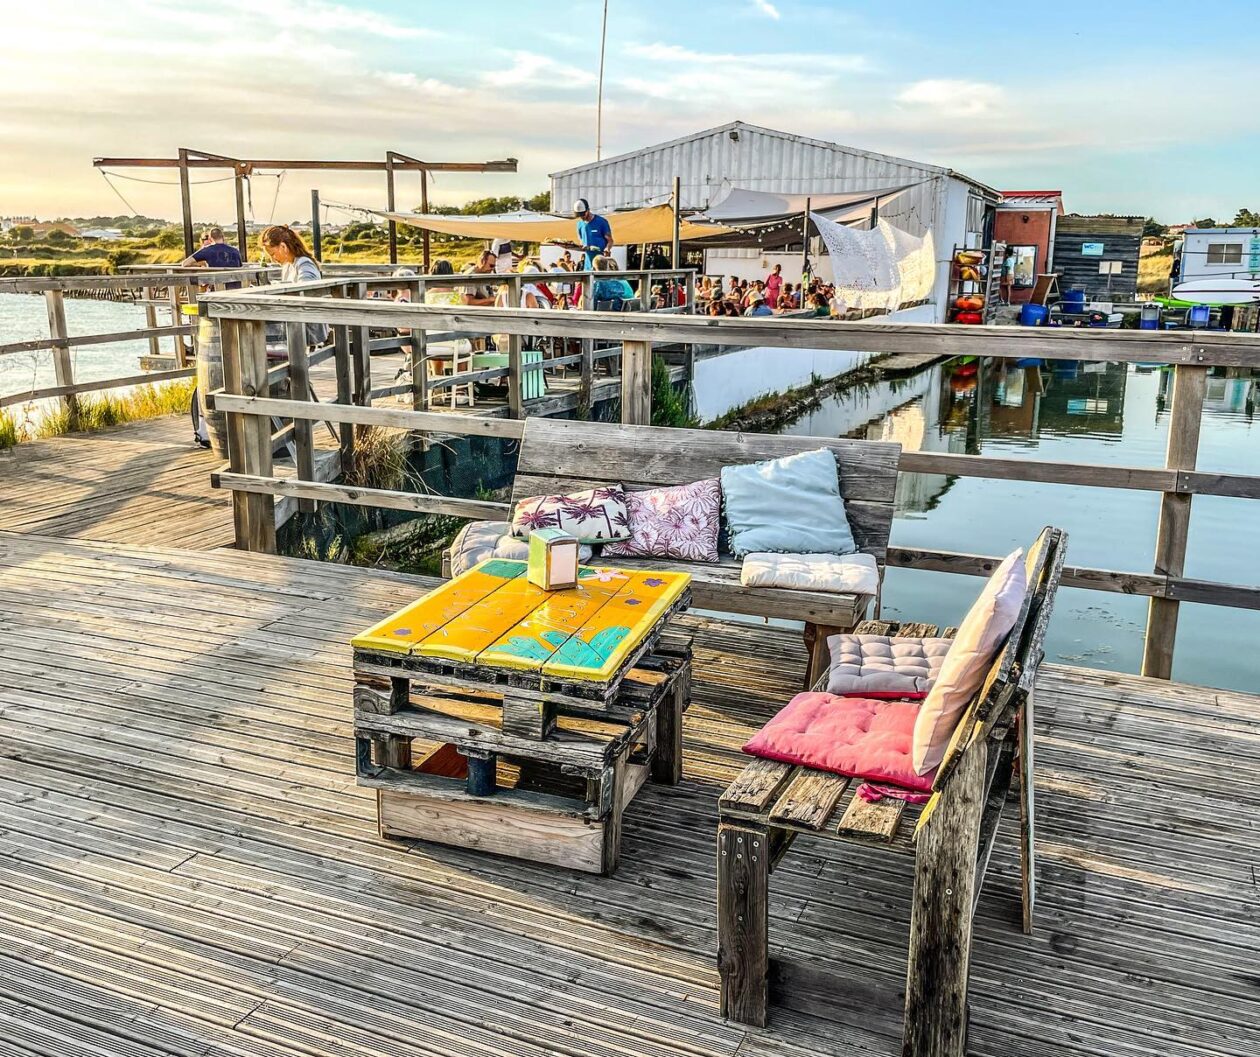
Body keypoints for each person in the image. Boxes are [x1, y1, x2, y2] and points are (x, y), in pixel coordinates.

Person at [260, 224, 328, 345]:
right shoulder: (288, 266)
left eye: (273, 254)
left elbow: (308, 290)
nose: (273, 259)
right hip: (296, 319)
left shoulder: (304, 264)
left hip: (307, 326)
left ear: (283, 246)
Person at [573, 198, 613, 269]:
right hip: (588, 264)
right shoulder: (579, 225)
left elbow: (610, 241)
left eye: (583, 214)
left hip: (601, 263)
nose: (582, 217)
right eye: (579, 215)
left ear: (588, 210)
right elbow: (582, 242)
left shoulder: (601, 222)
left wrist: (607, 249)